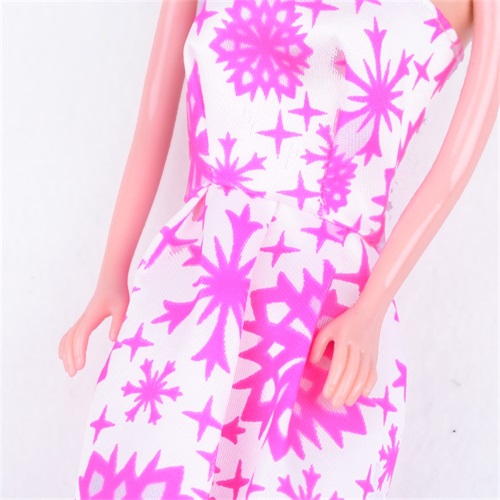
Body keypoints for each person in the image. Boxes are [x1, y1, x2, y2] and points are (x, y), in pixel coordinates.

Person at [59, 0, 497, 498]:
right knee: (146, 469)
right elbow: (151, 123)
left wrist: (371, 310)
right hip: (193, 291)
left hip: (325, 316)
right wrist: (111, 274)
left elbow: (450, 175)